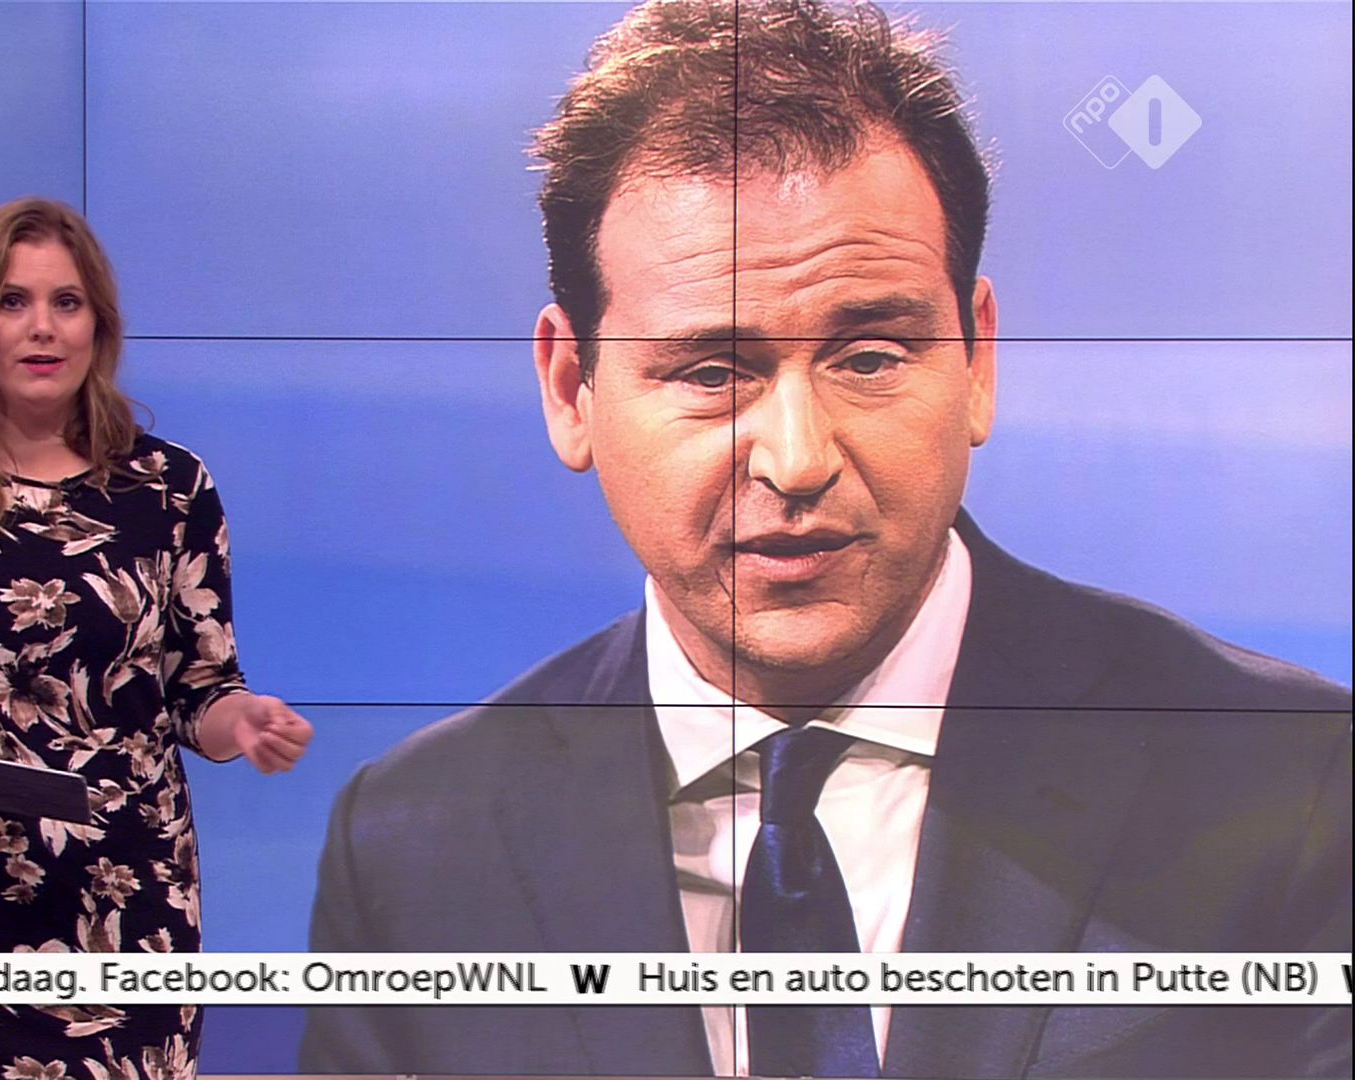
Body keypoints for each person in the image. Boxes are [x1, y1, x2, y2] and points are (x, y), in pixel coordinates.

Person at [299, 1, 1351, 1077]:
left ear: (977, 361)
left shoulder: (1298, 781)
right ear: (573, 390)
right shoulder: (414, 847)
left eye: (870, 357)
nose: (797, 459)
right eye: (713, 371)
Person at [0, 196, 313, 1080]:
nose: (42, 327)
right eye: (13, 301)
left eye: (66, 302)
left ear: (98, 326)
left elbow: (201, 689)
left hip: (125, 902)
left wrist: (248, 722)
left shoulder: (170, 488)